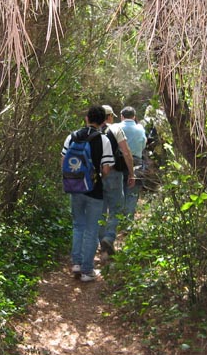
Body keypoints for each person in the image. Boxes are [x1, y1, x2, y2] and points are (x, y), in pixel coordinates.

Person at [61, 105, 114, 282]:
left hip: (75, 187)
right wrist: (96, 176)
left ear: (86, 118)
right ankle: (86, 270)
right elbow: (106, 168)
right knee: (91, 230)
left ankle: (76, 263)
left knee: (78, 225)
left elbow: (63, 161)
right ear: (103, 121)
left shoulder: (72, 136)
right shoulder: (103, 140)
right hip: (94, 190)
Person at [98, 104, 134, 256]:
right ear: (110, 116)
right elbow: (126, 152)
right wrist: (131, 173)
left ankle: (103, 244)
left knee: (100, 211)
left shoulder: (92, 131)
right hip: (114, 174)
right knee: (116, 208)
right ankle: (109, 237)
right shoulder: (115, 129)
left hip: (97, 175)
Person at [117, 106, 147, 222]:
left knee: (119, 189)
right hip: (137, 162)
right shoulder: (140, 128)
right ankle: (128, 221)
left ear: (121, 116)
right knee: (133, 191)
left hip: (119, 162)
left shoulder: (117, 127)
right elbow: (143, 144)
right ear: (134, 116)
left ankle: (118, 219)